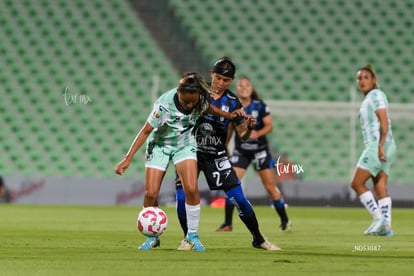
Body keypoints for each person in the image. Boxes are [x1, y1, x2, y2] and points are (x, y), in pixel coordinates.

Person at [115, 72, 243, 251]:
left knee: (191, 188)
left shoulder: (200, 98)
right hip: (160, 146)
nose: (190, 105)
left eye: (193, 101)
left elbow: (209, 109)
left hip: (184, 145)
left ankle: (192, 236)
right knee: (151, 194)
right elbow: (145, 131)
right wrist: (127, 158)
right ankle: (152, 237)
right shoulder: (163, 106)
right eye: (186, 102)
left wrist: (228, 116)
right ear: (179, 94)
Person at [176, 57, 281, 250]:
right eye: (217, 78)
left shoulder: (233, 102)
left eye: (225, 80)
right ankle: (188, 238)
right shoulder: (197, 91)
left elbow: (243, 134)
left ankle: (258, 238)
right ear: (211, 74)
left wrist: (249, 128)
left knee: (239, 199)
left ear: (231, 80)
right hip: (190, 151)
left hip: (217, 154)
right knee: (183, 196)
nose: (220, 83)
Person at [216, 77, 291, 232]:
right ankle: (228, 223)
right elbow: (229, 127)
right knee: (231, 183)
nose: (244, 88)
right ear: (237, 89)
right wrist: (225, 145)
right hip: (241, 151)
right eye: (241, 86)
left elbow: (269, 125)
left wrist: (257, 133)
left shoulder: (260, 105)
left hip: (259, 151)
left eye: (247, 85)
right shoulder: (233, 105)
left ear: (251, 88)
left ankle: (284, 220)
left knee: (270, 187)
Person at [351, 64, 396, 236]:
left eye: (366, 77)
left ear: (374, 80)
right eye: (359, 78)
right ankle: (386, 228)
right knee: (380, 186)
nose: (362, 81)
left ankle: (379, 219)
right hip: (387, 144)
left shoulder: (375, 95)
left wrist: (379, 147)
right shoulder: (370, 97)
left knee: (356, 183)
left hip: (379, 144)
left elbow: (383, 121)